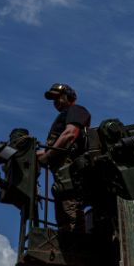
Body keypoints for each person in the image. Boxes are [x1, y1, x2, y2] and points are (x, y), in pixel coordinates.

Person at [37, 83, 92, 232]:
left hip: (69, 172)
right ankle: (69, 238)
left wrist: (47, 155)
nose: (55, 101)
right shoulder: (62, 116)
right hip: (61, 175)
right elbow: (52, 149)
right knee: (63, 217)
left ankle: (77, 243)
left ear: (69, 96)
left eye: (58, 97)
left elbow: (69, 135)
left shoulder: (76, 110)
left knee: (71, 211)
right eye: (53, 99)